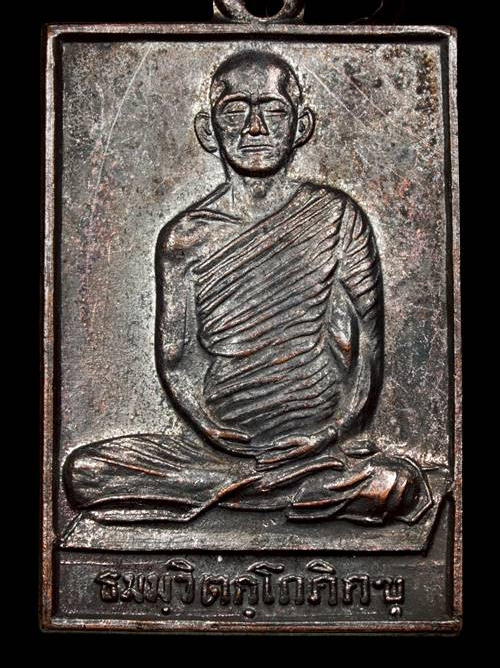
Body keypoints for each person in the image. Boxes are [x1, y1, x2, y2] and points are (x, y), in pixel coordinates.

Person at [64, 51, 430, 525]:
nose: (254, 128)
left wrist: (330, 432)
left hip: (319, 441)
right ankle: (289, 489)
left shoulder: (338, 216)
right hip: (221, 448)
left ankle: (270, 485)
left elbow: (369, 347)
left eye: (273, 110)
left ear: (301, 126)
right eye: (235, 110)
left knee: (397, 482)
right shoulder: (184, 238)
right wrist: (210, 431)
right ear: (207, 130)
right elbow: (176, 359)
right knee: (85, 473)